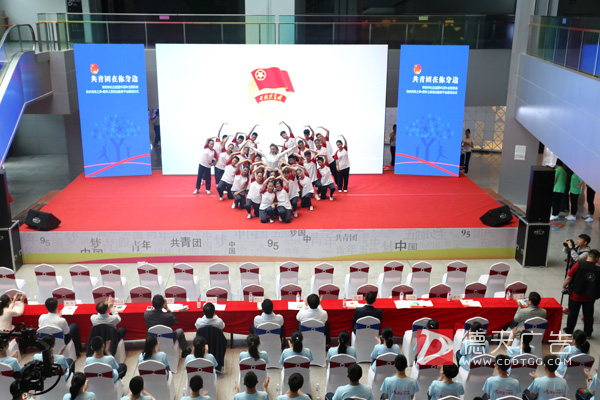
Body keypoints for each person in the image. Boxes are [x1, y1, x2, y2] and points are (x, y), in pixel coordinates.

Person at [562, 249, 600, 336]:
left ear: (588, 256)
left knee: (573, 313)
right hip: (590, 297)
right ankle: (588, 333)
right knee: (588, 315)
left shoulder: (578, 265)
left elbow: (569, 277)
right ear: (597, 258)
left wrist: (564, 286)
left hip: (576, 295)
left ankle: (569, 331)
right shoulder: (598, 270)